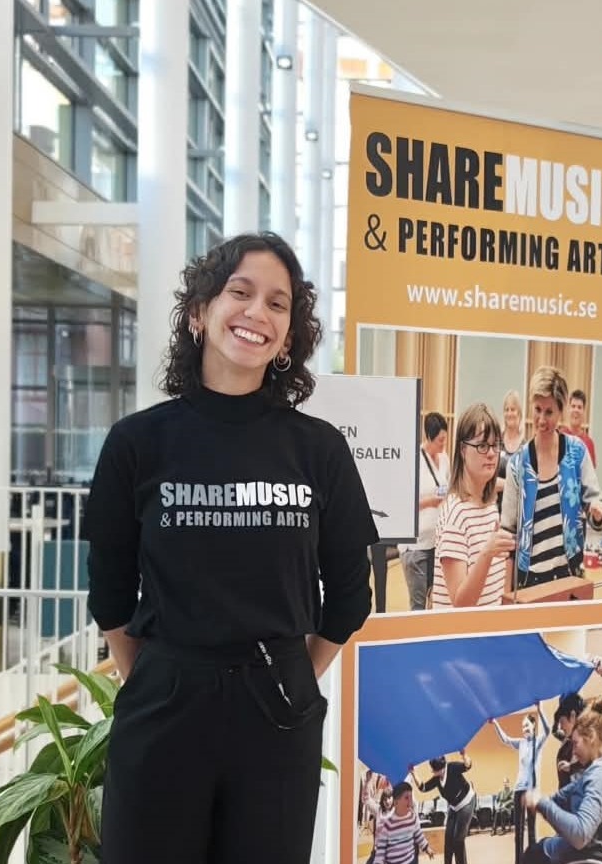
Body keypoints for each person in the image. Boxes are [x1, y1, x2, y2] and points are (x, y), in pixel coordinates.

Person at [84, 233, 378, 864]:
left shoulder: (318, 449)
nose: (257, 314)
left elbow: (351, 591)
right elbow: (108, 586)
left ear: (291, 333)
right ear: (199, 313)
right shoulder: (138, 443)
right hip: (165, 698)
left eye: (278, 304)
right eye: (239, 293)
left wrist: (292, 672)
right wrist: (160, 677)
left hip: (276, 707)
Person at [501, 367, 602, 590]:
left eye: (549, 412)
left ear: (561, 411)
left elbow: (596, 509)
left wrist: (597, 514)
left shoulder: (577, 453)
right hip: (528, 579)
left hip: (569, 573)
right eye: (537, 409)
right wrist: (506, 594)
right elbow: (508, 534)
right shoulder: (517, 464)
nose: (541, 419)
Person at [431, 404, 516, 608]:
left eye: (496, 445)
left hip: (485, 632)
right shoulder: (456, 513)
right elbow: (461, 603)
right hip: (460, 637)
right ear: (462, 450)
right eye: (482, 446)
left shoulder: (489, 504)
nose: (492, 454)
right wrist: (487, 553)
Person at [521, 701, 602, 864]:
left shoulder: (600, 774)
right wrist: (539, 802)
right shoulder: (591, 772)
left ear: (591, 737)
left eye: (575, 743)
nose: (573, 751)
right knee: (533, 853)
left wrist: (542, 803)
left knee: (533, 855)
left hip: (593, 855)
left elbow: (580, 835)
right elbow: (562, 797)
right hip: (583, 850)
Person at [400, 412, 449, 611]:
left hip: (437, 542)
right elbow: (402, 504)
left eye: (445, 439)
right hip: (416, 546)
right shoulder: (414, 461)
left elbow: (448, 486)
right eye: (439, 440)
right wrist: (429, 502)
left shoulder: (444, 458)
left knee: (434, 603)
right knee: (418, 605)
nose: (443, 444)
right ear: (428, 437)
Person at [491, 708, 551, 859]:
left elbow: (548, 729)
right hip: (518, 789)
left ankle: (532, 860)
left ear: (533, 726)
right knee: (518, 831)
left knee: (531, 830)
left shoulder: (538, 742)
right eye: (523, 727)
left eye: (527, 726)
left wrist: (540, 710)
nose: (525, 729)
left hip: (531, 791)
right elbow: (505, 739)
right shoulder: (521, 743)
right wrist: (495, 723)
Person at [553, 657, 602, 787]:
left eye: (562, 721)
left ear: (572, 715)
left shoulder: (594, 719)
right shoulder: (567, 742)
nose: (561, 727)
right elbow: (554, 731)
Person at [411, 751, 475, 864]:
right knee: (448, 839)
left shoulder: (452, 768)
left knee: (458, 840)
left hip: (467, 802)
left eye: (433, 770)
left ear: (441, 768)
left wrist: (464, 755)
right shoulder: (437, 778)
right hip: (454, 807)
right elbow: (423, 787)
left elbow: (467, 765)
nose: (432, 772)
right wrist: (413, 772)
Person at [369, 782, 435, 864]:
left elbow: (418, 835)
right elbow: (381, 850)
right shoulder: (388, 825)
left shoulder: (412, 818)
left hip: (410, 860)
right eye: (406, 798)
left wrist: (426, 848)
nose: (410, 801)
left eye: (411, 797)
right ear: (396, 802)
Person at [560, 390, 597, 467]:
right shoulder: (559, 437)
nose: (576, 410)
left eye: (579, 407)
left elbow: (590, 475)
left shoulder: (589, 443)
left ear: (584, 411)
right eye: (573, 406)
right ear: (568, 409)